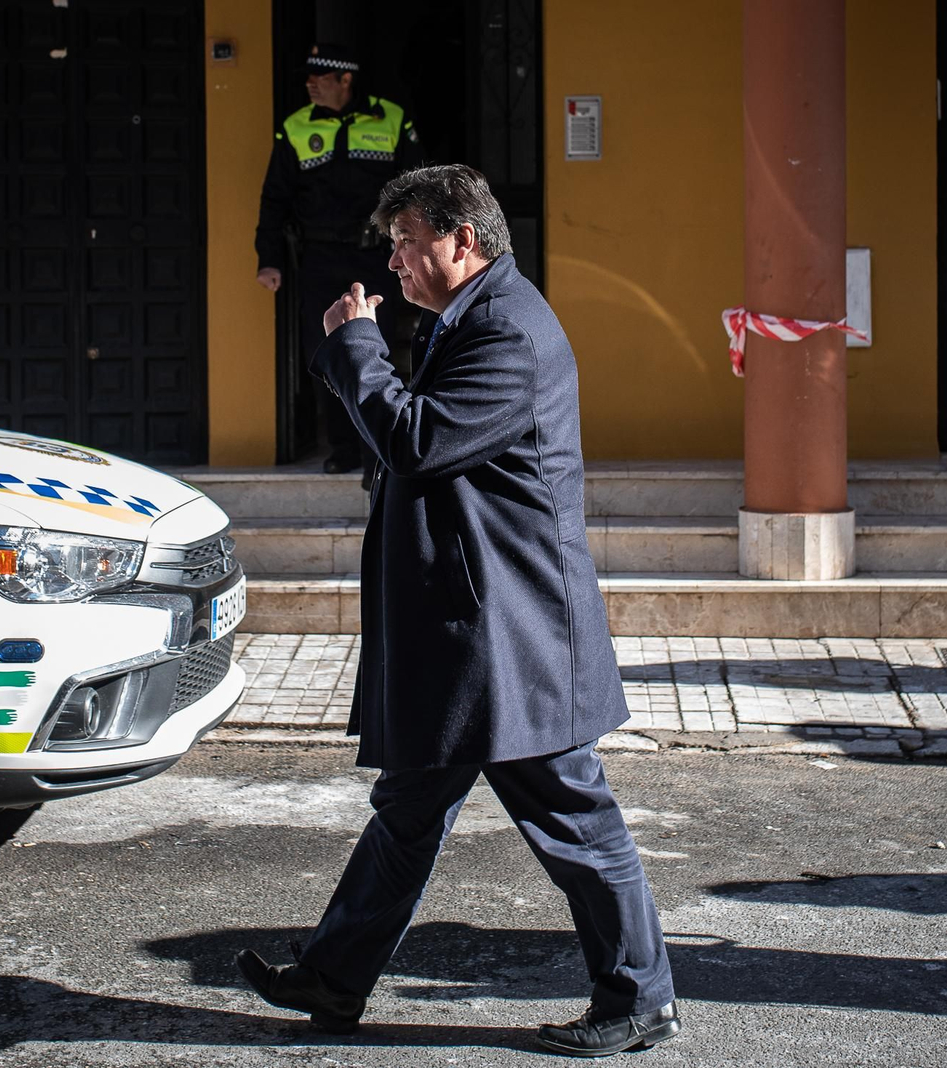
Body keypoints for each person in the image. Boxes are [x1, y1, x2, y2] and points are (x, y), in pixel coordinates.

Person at [235, 165, 681, 1057]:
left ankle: (640, 1001)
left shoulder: (508, 333)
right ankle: (333, 975)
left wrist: (355, 345)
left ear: (461, 241)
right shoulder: (470, 319)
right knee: (408, 811)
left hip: (511, 638)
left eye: (406, 241)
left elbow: (416, 441)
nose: (393, 260)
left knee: (574, 819)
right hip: (473, 629)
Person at [255, 43, 423, 474]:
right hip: (320, 257)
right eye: (308, 77)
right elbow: (275, 197)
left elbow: (415, 190)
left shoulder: (391, 117)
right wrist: (268, 259)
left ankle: (376, 453)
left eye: (320, 77)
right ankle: (343, 448)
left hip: (376, 257)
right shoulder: (295, 127)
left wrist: (409, 245)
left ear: (345, 80)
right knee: (326, 350)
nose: (310, 84)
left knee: (376, 349)